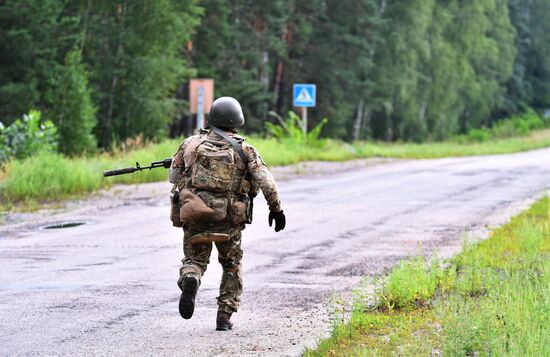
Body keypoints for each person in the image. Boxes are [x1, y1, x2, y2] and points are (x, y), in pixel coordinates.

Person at [168, 96, 286, 331]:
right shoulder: (245, 149)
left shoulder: (190, 144)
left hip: (195, 215)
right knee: (231, 264)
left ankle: (191, 277)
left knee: (194, 260)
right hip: (229, 221)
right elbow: (266, 181)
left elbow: (173, 177)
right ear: (237, 120)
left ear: (212, 118)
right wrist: (276, 209)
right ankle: (224, 316)